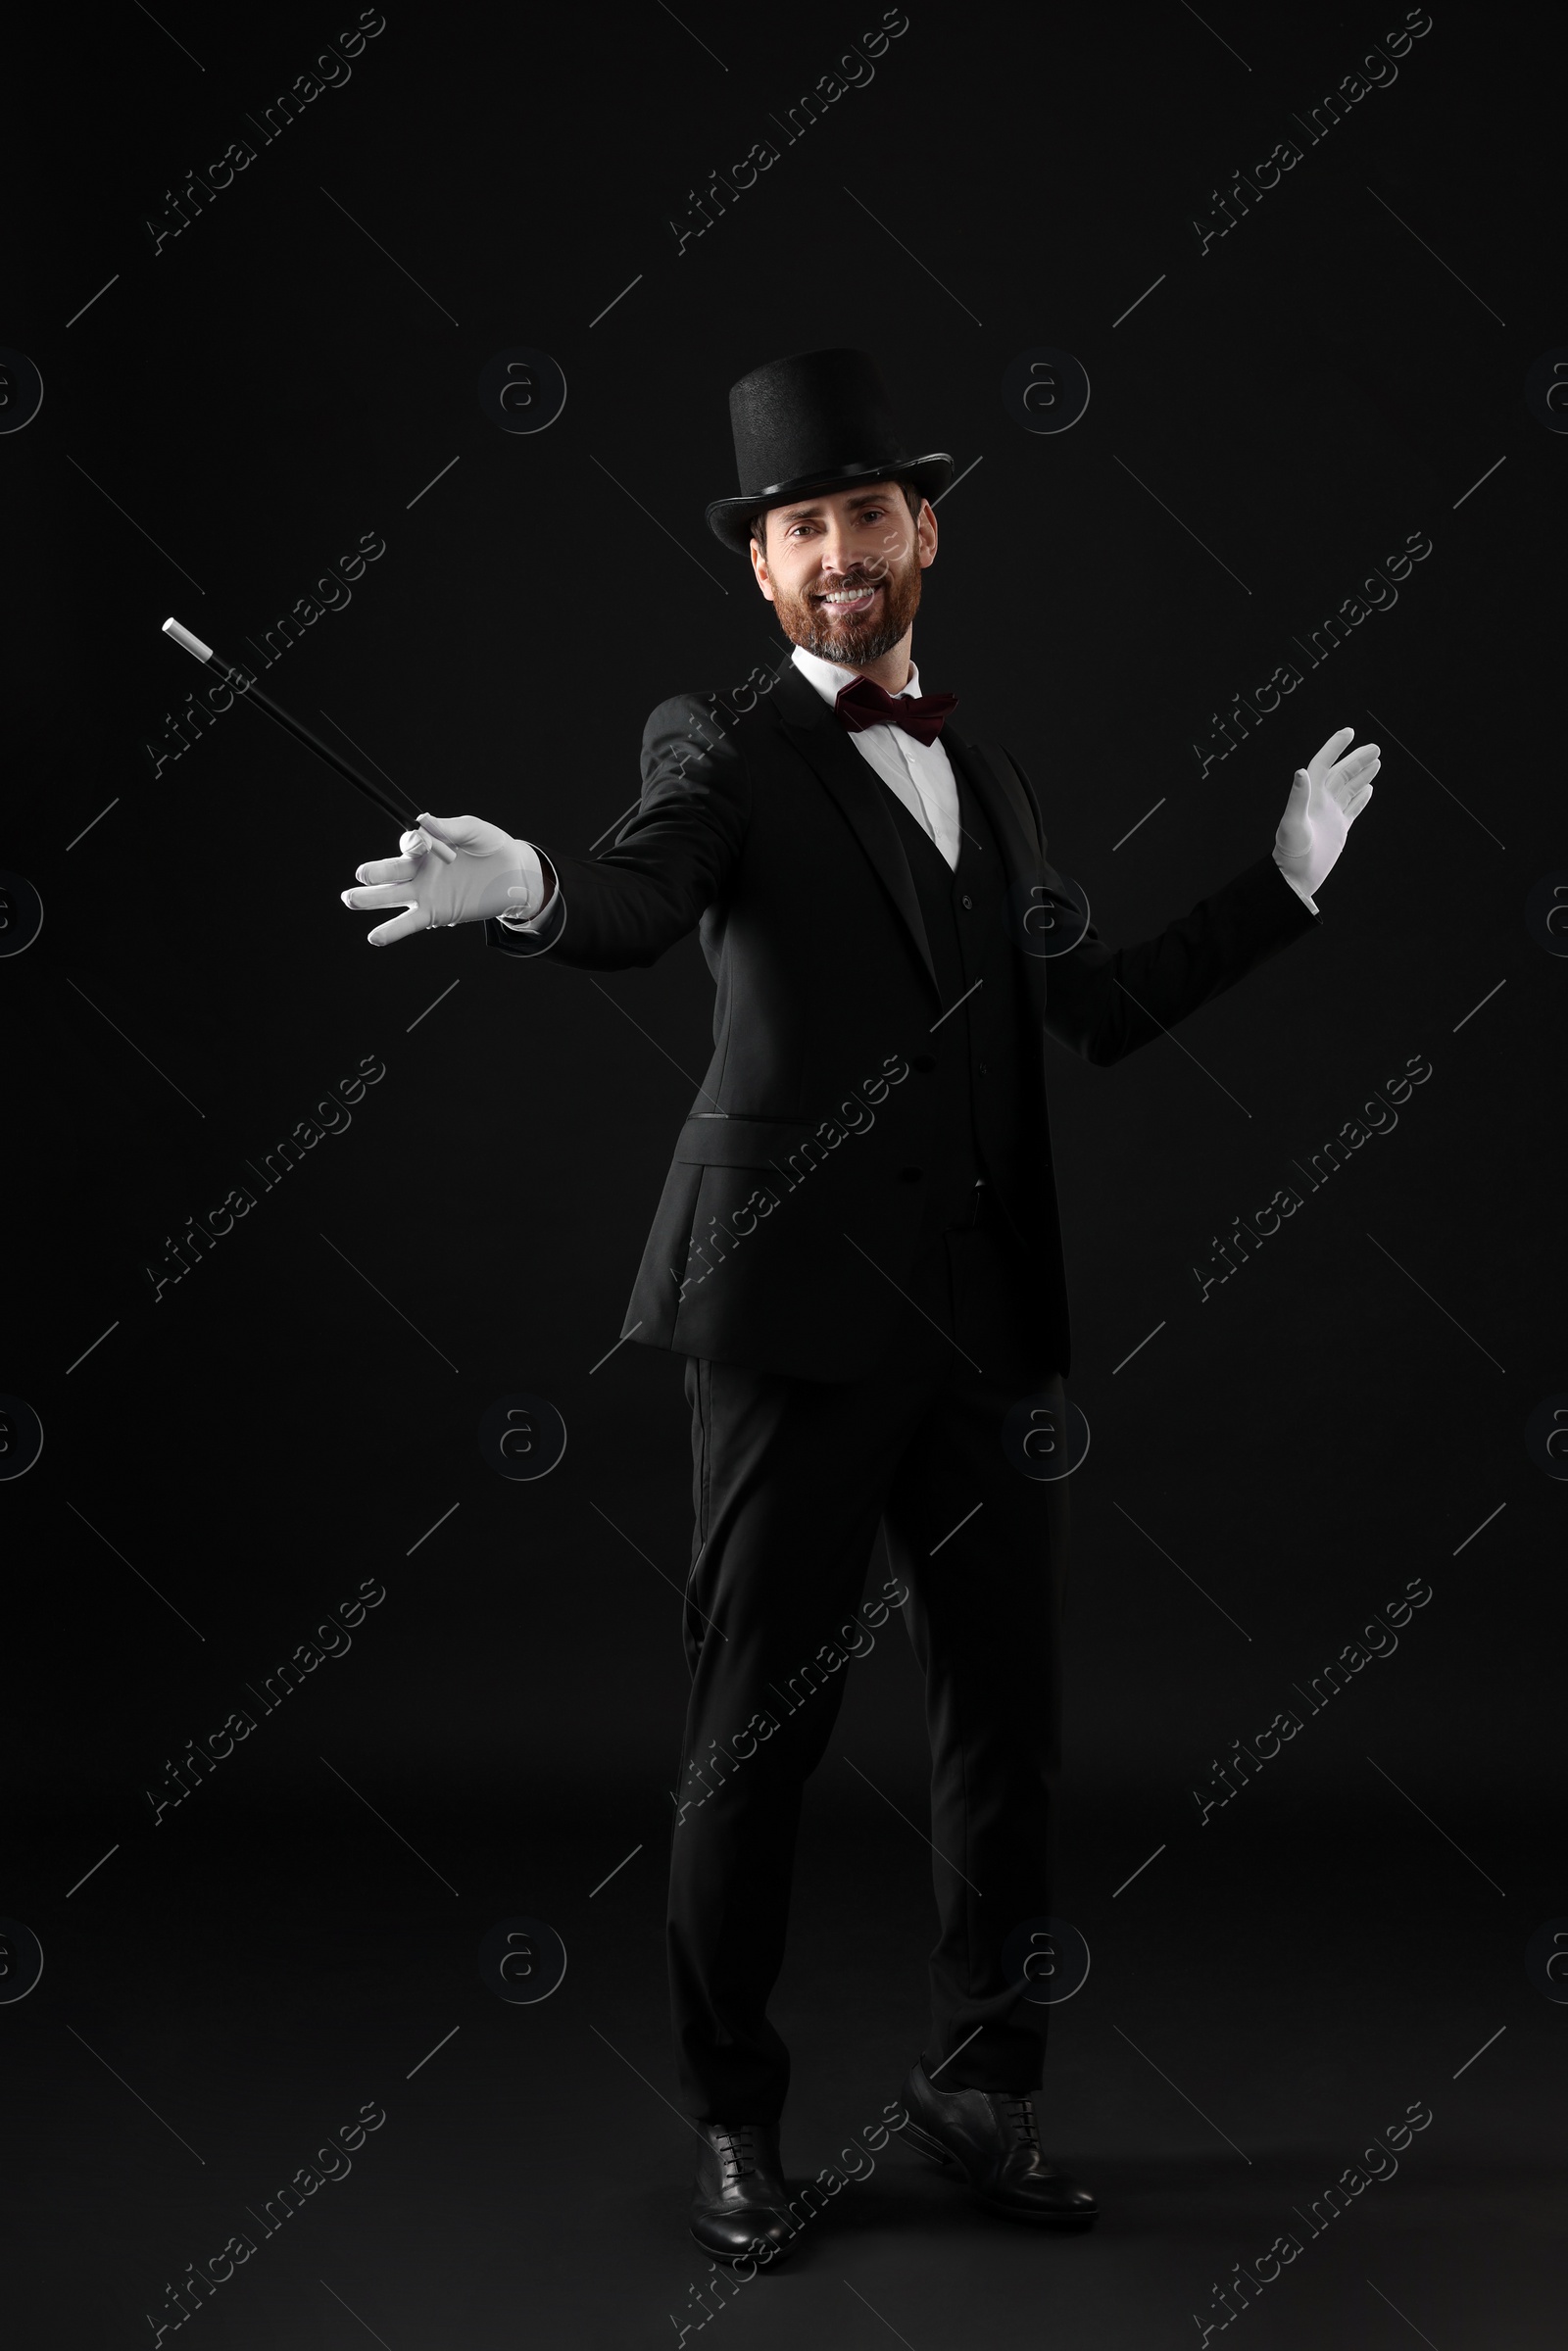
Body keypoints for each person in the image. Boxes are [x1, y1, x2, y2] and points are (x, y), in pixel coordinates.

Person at [340, 347, 1378, 2263]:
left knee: (1008, 1729)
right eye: (799, 526)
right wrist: (531, 890)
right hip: (789, 1325)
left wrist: (1283, 886)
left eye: (864, 517)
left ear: (923, 536)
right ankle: (735, 2117)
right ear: (761, 567)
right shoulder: (715, 745)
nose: (837, 554)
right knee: (755, 1735)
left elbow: (1092, 1007)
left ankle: (982, 2092)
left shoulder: (978, 768)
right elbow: (644, 895)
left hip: (981, 1334)